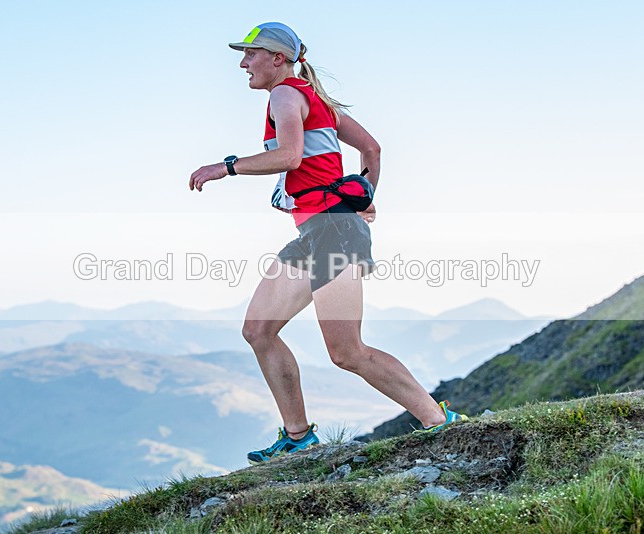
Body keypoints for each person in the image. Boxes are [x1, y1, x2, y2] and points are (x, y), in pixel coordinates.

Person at [189, 22, 467, 463]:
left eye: (250, 54)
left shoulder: (284, 95)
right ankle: (298, 438)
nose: (243, 63)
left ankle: (442, 423)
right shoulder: (319, 101)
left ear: (277, 59)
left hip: (333, 230)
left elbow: (289, 156)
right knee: (258, 330)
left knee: (347, 352)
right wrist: (364, 196)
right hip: (318, 230)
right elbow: (372, 151)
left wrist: (225, 167)